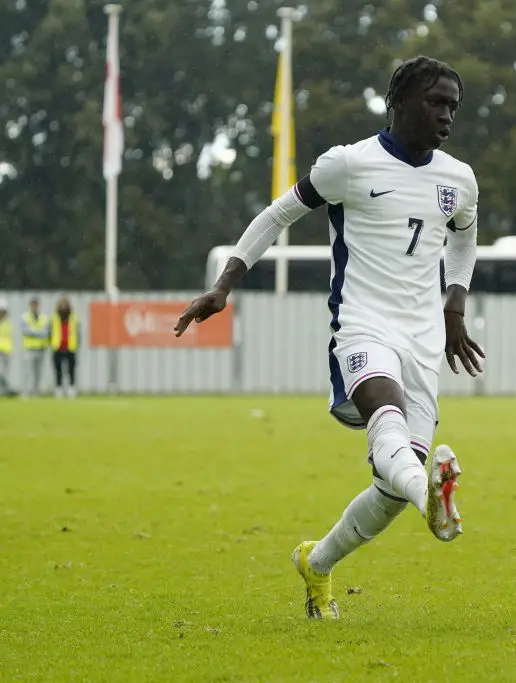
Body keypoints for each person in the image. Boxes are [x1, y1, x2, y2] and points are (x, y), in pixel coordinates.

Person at [173, 56, 484, 620]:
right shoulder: (349, 164)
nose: (446, 115)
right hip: (362, 324)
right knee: (384, 414)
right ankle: (433, 503)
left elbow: (465, 238)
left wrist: (454, 308)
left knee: (391, 487)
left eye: (453, 107)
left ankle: (317, 563)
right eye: (435, 102)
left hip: (422, 341)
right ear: (398, 102)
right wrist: (223, 287)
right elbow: (276, 216)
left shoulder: (458, 179)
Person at [51, 295, 81, 399]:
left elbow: (78, 332)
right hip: (58, 346)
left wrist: (77, 344)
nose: (63, 306)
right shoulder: (55, 317)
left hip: (70, 347)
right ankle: (58, 389)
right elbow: (50, 331)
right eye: (62, 303)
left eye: (65, 303)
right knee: (58, 370)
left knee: (71, 370)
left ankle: (71, 389)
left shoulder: (73, 317)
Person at [20, 297, 49, 398]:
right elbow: (25, 331)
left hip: (41, 348)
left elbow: (47, 332)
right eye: (33, 304)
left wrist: (34, 332)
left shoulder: (43, 317)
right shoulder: (25, 317)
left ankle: (36, 392)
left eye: (36, 304)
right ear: (30, 305)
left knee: (38, 373)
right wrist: (38, 332)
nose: (34, 306)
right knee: (27, 372)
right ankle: (25, 392)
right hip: (29, 348)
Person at [0, 300, 16, 397]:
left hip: (5, 350)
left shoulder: (8, 323)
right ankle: (5, 389)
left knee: (5, 372)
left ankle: (5, 390)